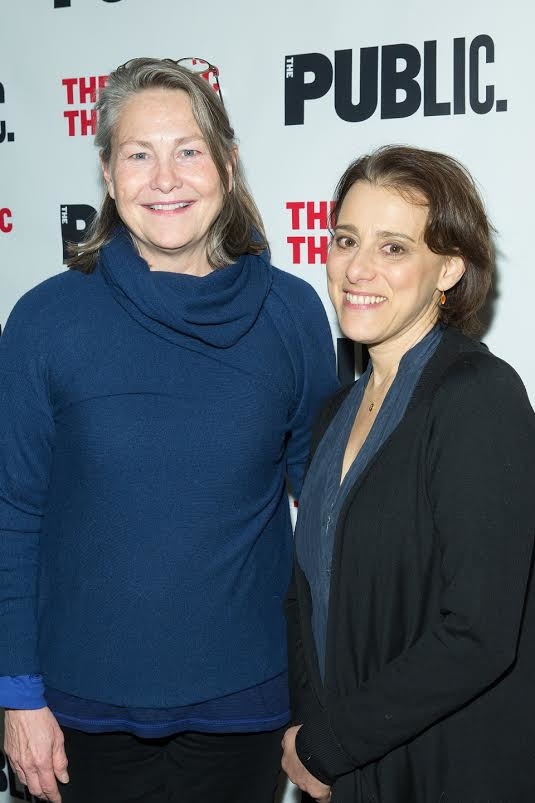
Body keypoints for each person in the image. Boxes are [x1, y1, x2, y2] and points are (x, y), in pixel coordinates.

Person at [0, 57, 338, 803]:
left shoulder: (291, 314)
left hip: (245, 707)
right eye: (138, 154)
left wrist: (328, 694)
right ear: (107, 173)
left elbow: (323, 512)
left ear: (226, 161)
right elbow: (12, 515)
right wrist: (18, 695)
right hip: (76, 713)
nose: (165, 178)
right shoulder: (45, 320)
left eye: (187, 150)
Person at [282, 145, 535, 803]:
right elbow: (309, 592)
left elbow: (477, 632)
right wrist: (315, 736)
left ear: (447, 267)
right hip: (350, 765)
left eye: (393, 248)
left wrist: (327, 743)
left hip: (443, 766)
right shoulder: (333, 409)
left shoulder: (478, 395)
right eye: (345, 240)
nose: (357, 268)